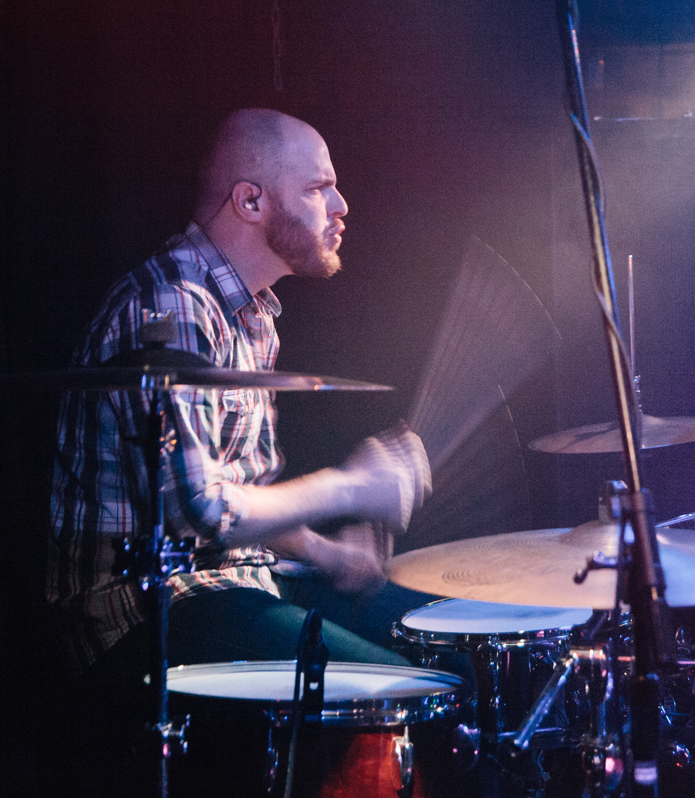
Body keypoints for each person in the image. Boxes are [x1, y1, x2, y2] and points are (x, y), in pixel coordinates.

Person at [45, 109, 431, 789]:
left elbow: (245, 498)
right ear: (249, 200)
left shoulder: (251, 319)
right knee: (394, 690)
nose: (342, 206)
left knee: (429, 635)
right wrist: (354, 485)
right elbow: (202, 509)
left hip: (231, 585)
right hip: (148, 612)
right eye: (319, 188)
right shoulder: (169, 304)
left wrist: (325, 553)